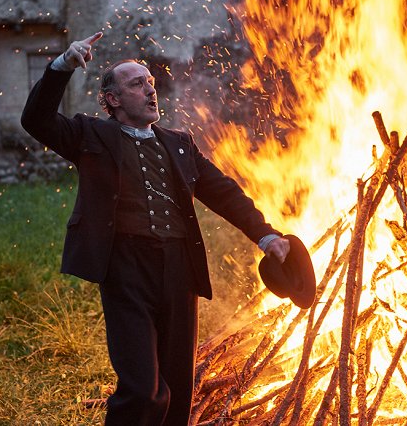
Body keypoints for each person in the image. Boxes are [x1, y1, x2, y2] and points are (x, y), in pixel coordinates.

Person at [21, 32, 291, 425]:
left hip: (179, 268)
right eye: (136, 84)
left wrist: (266, 236)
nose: (151, 90)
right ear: (112, 100)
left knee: (177, 389)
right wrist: (61, 65)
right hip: (125, 266)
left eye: (150, 82)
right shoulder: (89, 134)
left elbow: (224, 193)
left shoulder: (179, 143)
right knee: (143, 390)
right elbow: (36, 119)